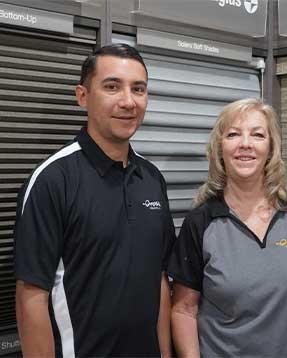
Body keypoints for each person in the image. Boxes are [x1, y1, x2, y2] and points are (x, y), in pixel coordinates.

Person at [14, 44, 175, 357]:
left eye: (138, 89)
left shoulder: (153, 179)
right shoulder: (52, 180)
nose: (128, 101)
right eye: (112, 86)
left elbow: (159, 278)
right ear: (82, 96)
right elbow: (31, 296)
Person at [168, 98, 287, 357]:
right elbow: (184, 309)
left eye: (258, 135)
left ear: (271, 148)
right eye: (233, 134)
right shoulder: (201, 222)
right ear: (220, 148)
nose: (245, 144)